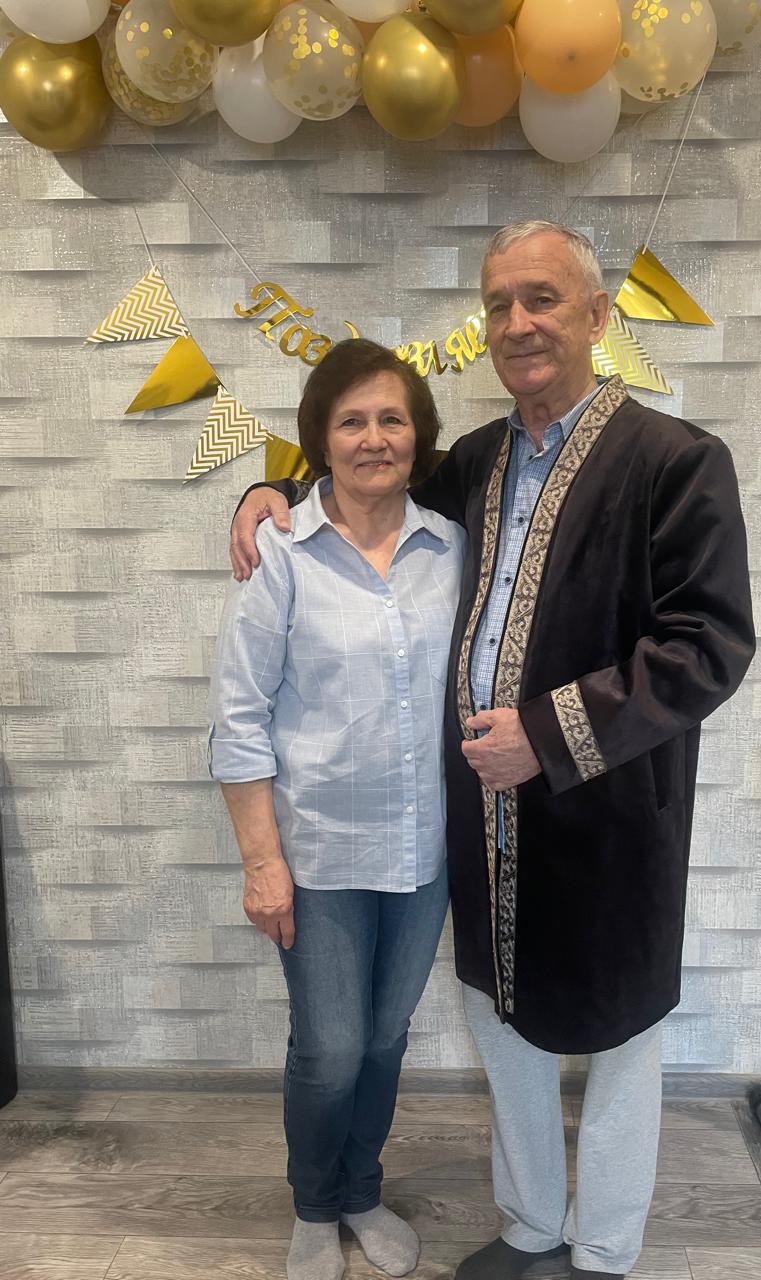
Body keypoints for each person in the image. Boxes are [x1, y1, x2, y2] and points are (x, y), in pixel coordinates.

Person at [230, 221, 756, 1280]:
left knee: (621, 1037)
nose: (518, 322)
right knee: (503, 1022)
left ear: (596, 315)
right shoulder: (473, 461)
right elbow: (361, 477)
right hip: (481, 819)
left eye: (542, 298)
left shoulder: (676, 462)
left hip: (613, 817)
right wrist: (266, 488)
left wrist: (550, 732)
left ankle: (603, 1249)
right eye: (499, 303)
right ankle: (529, 1223)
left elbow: (708, 646)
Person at [209, 339, 464, 1280]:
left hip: (424, 850)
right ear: (320, 438)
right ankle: (315, 1206)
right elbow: (239, 720)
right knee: (330, 1048)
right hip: (315, 852)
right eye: (351, 420)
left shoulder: (453, 548)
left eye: (391, 418)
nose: (373, 438)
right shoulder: (281, 551)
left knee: (387, 1039)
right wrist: (261, 864)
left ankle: (361, 1188)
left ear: (418, 435)